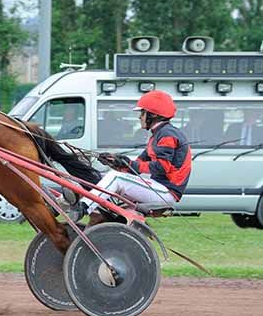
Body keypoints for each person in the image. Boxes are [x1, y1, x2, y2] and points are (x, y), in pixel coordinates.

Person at [73, 90, 192, 225]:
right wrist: (116, 162)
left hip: (165, 193)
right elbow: (138, 164)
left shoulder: (167, 134)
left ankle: (83, 208)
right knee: (102, 176)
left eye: (142, 113)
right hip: (158, 188)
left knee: (115, 178)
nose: (139, 117)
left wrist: (129, 164)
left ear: (153, 115)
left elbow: (161, 167)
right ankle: (63, 204)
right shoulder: (158, 134)